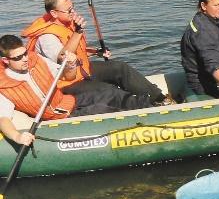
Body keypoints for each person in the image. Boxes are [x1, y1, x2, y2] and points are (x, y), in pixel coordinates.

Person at [21, 0, 169, 108]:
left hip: (81, 70)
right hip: (66, 82)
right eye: (68, 10)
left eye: (73, 7)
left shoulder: (66, 24)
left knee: (119, 68)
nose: (73, 12)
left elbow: (78, 51)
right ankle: (146, 107)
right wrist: (78, 32)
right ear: (54, 13)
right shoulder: (46, 37)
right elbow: (63, 57)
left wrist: (96, 52)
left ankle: (159, 98)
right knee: (108, 90)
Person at [0, 35, 135, 146]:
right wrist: (17, 137)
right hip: (60, 117)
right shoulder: (5, 86)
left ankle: (149, 106)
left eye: (25, 53)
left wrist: (70, 65)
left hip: (69, 101)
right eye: (18, 57)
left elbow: (67, 76)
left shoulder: (36, 60)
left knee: (110, 93)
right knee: (102, 108)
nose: (25, 59)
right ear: (5, 60)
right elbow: (3, 119)